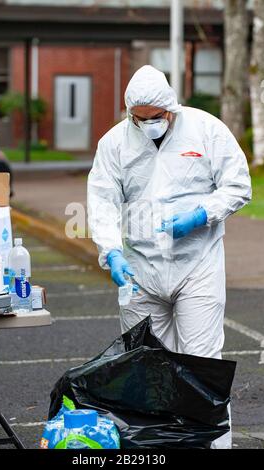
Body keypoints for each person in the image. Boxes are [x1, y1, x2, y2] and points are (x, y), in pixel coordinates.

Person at [87, 65, 252, 449]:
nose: (148, 124)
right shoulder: (114, 143)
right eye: (139, 118)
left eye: (156, 118)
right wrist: (111, 251)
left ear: (170, 109)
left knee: (202, 365)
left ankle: (214, 446)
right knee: (148, 368)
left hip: (198, 264)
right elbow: (102, 201)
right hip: (140, 270)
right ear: (130, 113)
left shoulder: (206, 130)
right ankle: (160, 448)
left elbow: (238, 185)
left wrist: (201, 214)